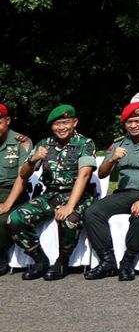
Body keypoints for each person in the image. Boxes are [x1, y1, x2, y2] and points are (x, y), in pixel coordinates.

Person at [83, 102, 139, 281]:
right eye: (129, 122)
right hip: (124, 194)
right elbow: (101, 173)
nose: (133, 125)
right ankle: (107, 260)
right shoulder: (118, 144)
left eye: (137, 121)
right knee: (92, 212)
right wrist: (113, 159)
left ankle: (128, 261)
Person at [10, 105, 97, 280]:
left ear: (74, 122)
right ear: (52, 127)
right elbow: (24, 174)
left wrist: (70, 206)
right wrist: (32, 159)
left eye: (65, 122)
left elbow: (85, 175)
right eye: (57, 124)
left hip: (77, 195)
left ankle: (62, 262)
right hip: (50, 195)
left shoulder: (85, 144)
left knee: (69, 220)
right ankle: (39, 260)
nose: (61, 127)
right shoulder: (44, 144)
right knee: (16, 218)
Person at [0, 103, 32, 276]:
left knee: (3, 217)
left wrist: (7, 204)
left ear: (7, 121)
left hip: (12, 190)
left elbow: (23, 176)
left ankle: (0, 254)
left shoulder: (22, 142)